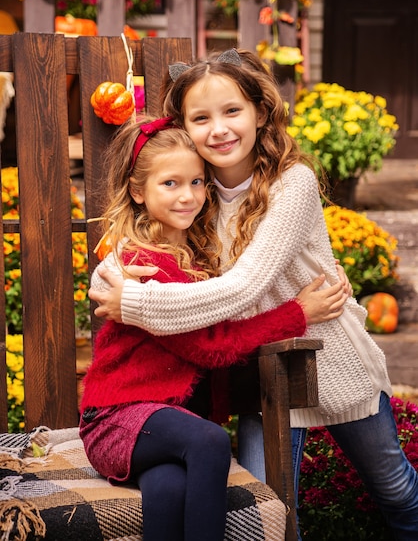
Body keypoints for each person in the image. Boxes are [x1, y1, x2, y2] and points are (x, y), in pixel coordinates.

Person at [89, 50, 418, 541]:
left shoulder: (293, 183)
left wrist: (134, 305)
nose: (219, 129)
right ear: (183, 127)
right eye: (201, 118)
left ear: (261, 113)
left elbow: (243, 287)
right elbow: (131, 255)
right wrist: (108, 282)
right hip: (261, 376)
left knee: (393, 488)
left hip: (330, 359)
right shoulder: (194, 194)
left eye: (232, 111)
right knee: (268, 514)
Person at [80, 115, 347, 541]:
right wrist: (298, 312)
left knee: (168, 489)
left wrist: (327, 274)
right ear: (137, 190)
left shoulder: (198, 258)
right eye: (170, 183)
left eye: (198, 182)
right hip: (117, 421)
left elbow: (249, 290)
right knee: (209, 441)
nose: (188, 196)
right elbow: (212, 346)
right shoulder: (142, 265)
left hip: (162, 435)